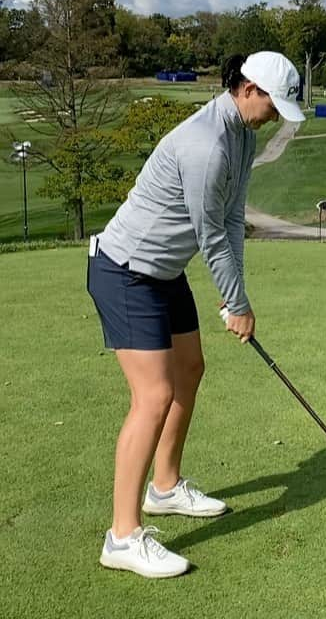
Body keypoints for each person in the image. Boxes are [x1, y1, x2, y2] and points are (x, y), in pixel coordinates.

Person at [87, 51, 305, 578]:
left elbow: (232, 221)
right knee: (154, 395)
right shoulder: (206, 144)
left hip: (163, 272)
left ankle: (164, 488)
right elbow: (209, 238)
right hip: (125, 271)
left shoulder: (243, 136)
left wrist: (237, 297)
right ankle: (122, 536)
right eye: (274, 105)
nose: (276, 116)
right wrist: (237, 303)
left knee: (190, 370)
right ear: (249, 88)